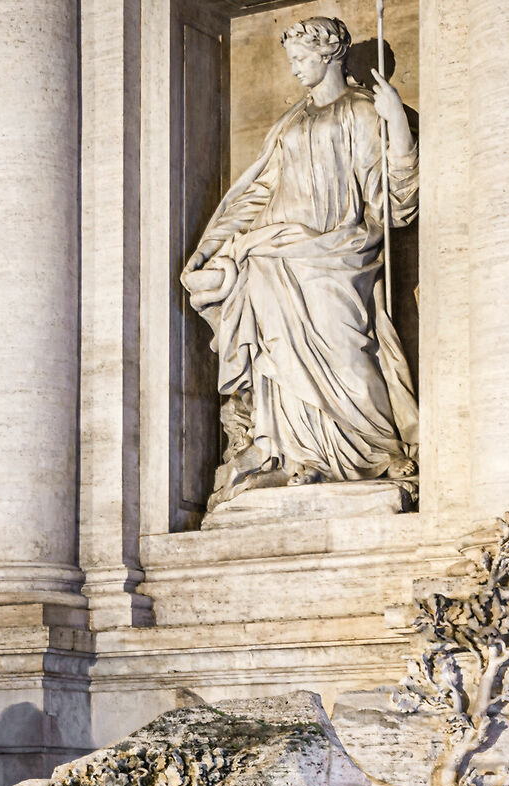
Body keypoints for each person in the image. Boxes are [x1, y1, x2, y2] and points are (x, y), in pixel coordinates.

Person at [182, 16, 416, 513]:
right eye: (290, 60)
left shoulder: (361, 112)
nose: (293, 70)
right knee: (279, 358)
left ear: (330, 54)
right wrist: (213, 245)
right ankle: (298, 454)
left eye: (301, 59)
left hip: (337, 253)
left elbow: (394, 199)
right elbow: (259, 191)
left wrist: (396, 122)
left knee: (349, 349)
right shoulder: (289, 122)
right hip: (272, 255)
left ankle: (375, 448)